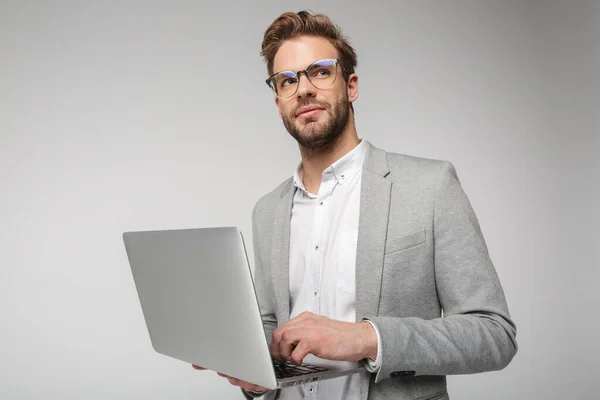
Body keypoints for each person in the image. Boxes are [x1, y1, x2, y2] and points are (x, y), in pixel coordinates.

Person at [193, 10, 517, 400]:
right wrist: (256, 376)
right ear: (279, 102)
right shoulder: (268, 211)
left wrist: (366, 338)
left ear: (351, 86)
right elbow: (269, 327)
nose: (304, 89)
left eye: (320, 71)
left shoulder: (430, 186)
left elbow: (494, 333)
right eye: (288, 80)